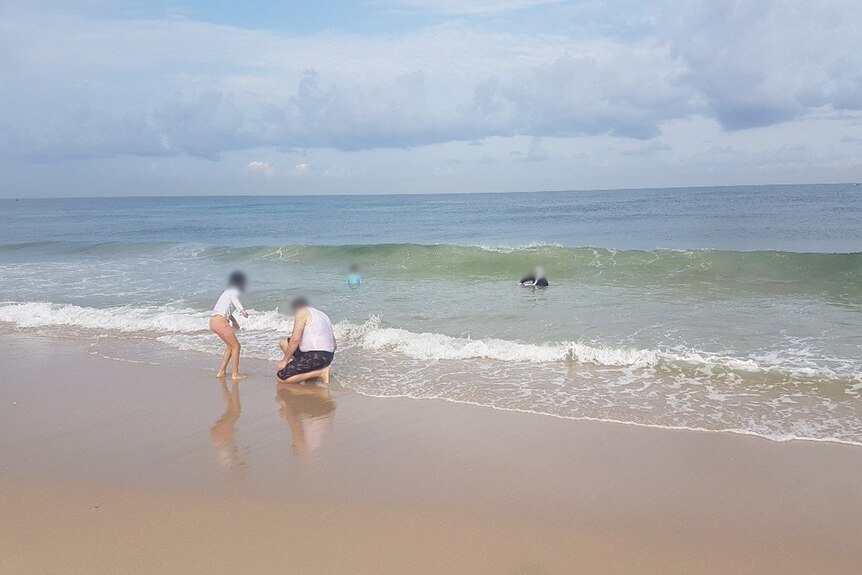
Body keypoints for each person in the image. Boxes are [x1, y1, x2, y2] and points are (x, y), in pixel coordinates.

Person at [276, 297, 337, 385]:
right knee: (284, 342)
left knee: (281, 378)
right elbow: (334, 345)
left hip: (316, 355)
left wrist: (284, 361)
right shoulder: (323, 315)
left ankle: (320, 373)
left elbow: (295, 339)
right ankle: (314, 368)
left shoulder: (302, 312)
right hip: (328, 357)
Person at [209, 271, 249, 380]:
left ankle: (221, 372)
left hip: (213, 321)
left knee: (230, 346)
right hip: (220, 322)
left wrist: (234, 321)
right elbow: (234, 300)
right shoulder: (233, 291)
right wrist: (242, 311)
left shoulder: (227, 292)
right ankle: (235, 374)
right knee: (236, 346)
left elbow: (226, 310)